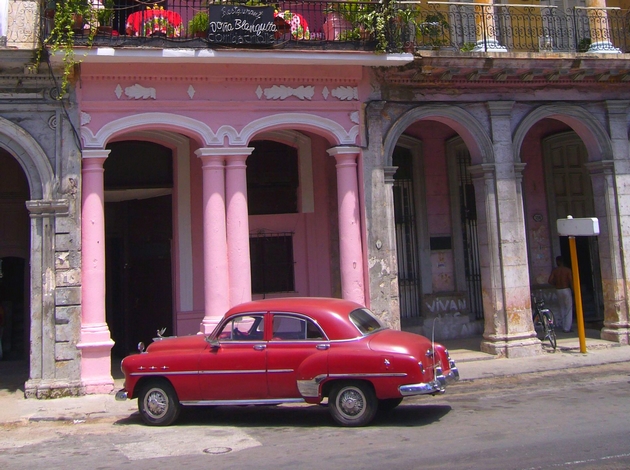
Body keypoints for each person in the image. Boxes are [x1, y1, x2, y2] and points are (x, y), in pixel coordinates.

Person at [548, 256, 573, 333]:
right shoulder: (567, 270)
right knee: (568, 308)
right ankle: (567, 328)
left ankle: (563, 325)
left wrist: (556, 284)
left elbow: (550, 280)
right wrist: (573, 290)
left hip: (558, 289)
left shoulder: (555, 271)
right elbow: (571, 281)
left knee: (562, 308)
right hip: (566, 289)